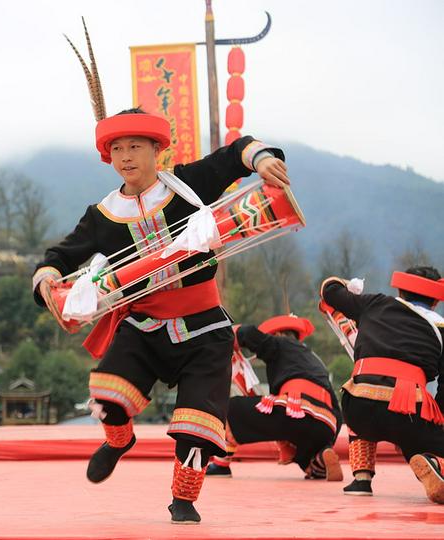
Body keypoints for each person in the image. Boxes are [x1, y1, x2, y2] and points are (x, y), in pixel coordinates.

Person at [32, 104, 289, 523]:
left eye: (136, 146)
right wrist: (46, 279)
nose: (126, 157)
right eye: (117, 149)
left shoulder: (187, 185)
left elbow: (236, 152)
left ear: (157, 150)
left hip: (206, 327)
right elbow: (60, 255)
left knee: (197, 423)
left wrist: (261, 159)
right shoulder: (102, 215)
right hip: (144, 326)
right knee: (108, 394)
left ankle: (183, 500)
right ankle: (117, 441)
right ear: (108, 157)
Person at [320, 266, 444, 502]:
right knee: (419, 436)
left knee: (361, 390)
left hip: (356, 408)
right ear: (436, 302)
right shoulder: (441, 328)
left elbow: (329, 290)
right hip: (408, 411)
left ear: (399, 290)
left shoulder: (374, 303)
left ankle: (362, 479)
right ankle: (433, 461)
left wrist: (347, 285)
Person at [206, 315, 343, 481]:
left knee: (229, 408)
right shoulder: (314, 360)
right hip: (327, 423)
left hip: (297, 409)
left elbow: (248, 333)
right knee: (305, 456)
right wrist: (329, 439)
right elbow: (338, 414)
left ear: (277, 334)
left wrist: (228, 336)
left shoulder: (281, 343)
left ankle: (221, 465)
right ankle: (320, 459)